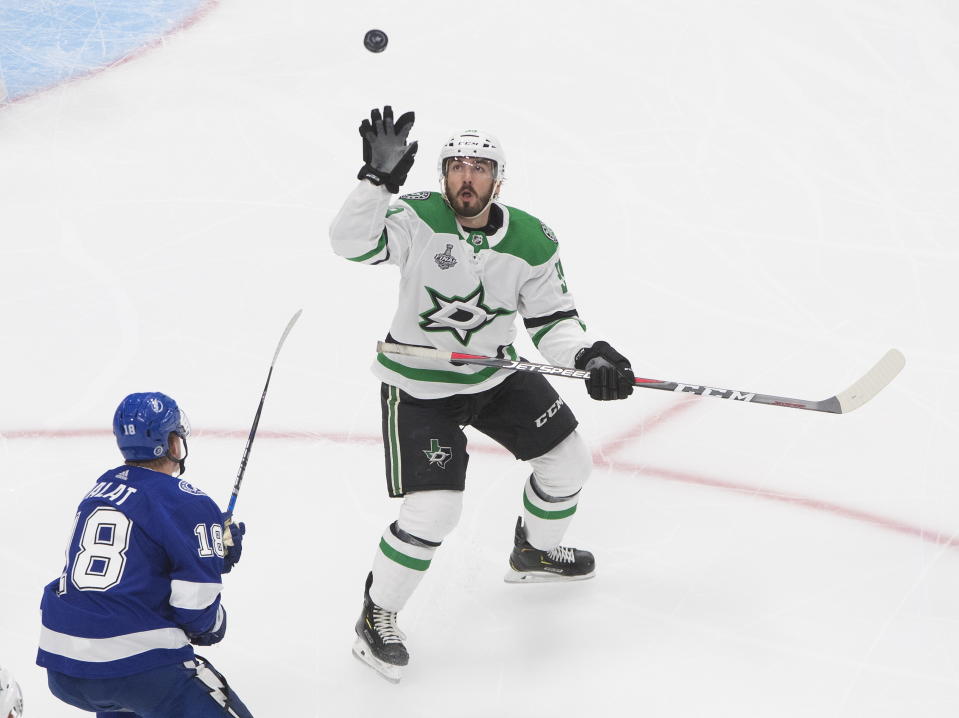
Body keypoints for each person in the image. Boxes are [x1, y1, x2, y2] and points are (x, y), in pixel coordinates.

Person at [330, 106, 636, 682]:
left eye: (480, 168)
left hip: (493, 374)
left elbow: (553, 324)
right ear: (442, 176)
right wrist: (374, 182)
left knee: (570, 462)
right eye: (457, 167)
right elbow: (349, 245)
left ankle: (534, 552)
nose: (466, 178)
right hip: (419, 386)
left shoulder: (531, 239)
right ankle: (378, 615)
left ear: (499, 179)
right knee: (435, 510)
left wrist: (590, 356)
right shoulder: (416, 218)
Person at [36, 392, 253, 717]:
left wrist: (206, 552)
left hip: (65, 666)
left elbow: (129, 575)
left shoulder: (98, 492)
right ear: (172, 443)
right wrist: (215, 609)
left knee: (126, 696)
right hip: (135, 669)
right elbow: (199, 619)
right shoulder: (190, 503)